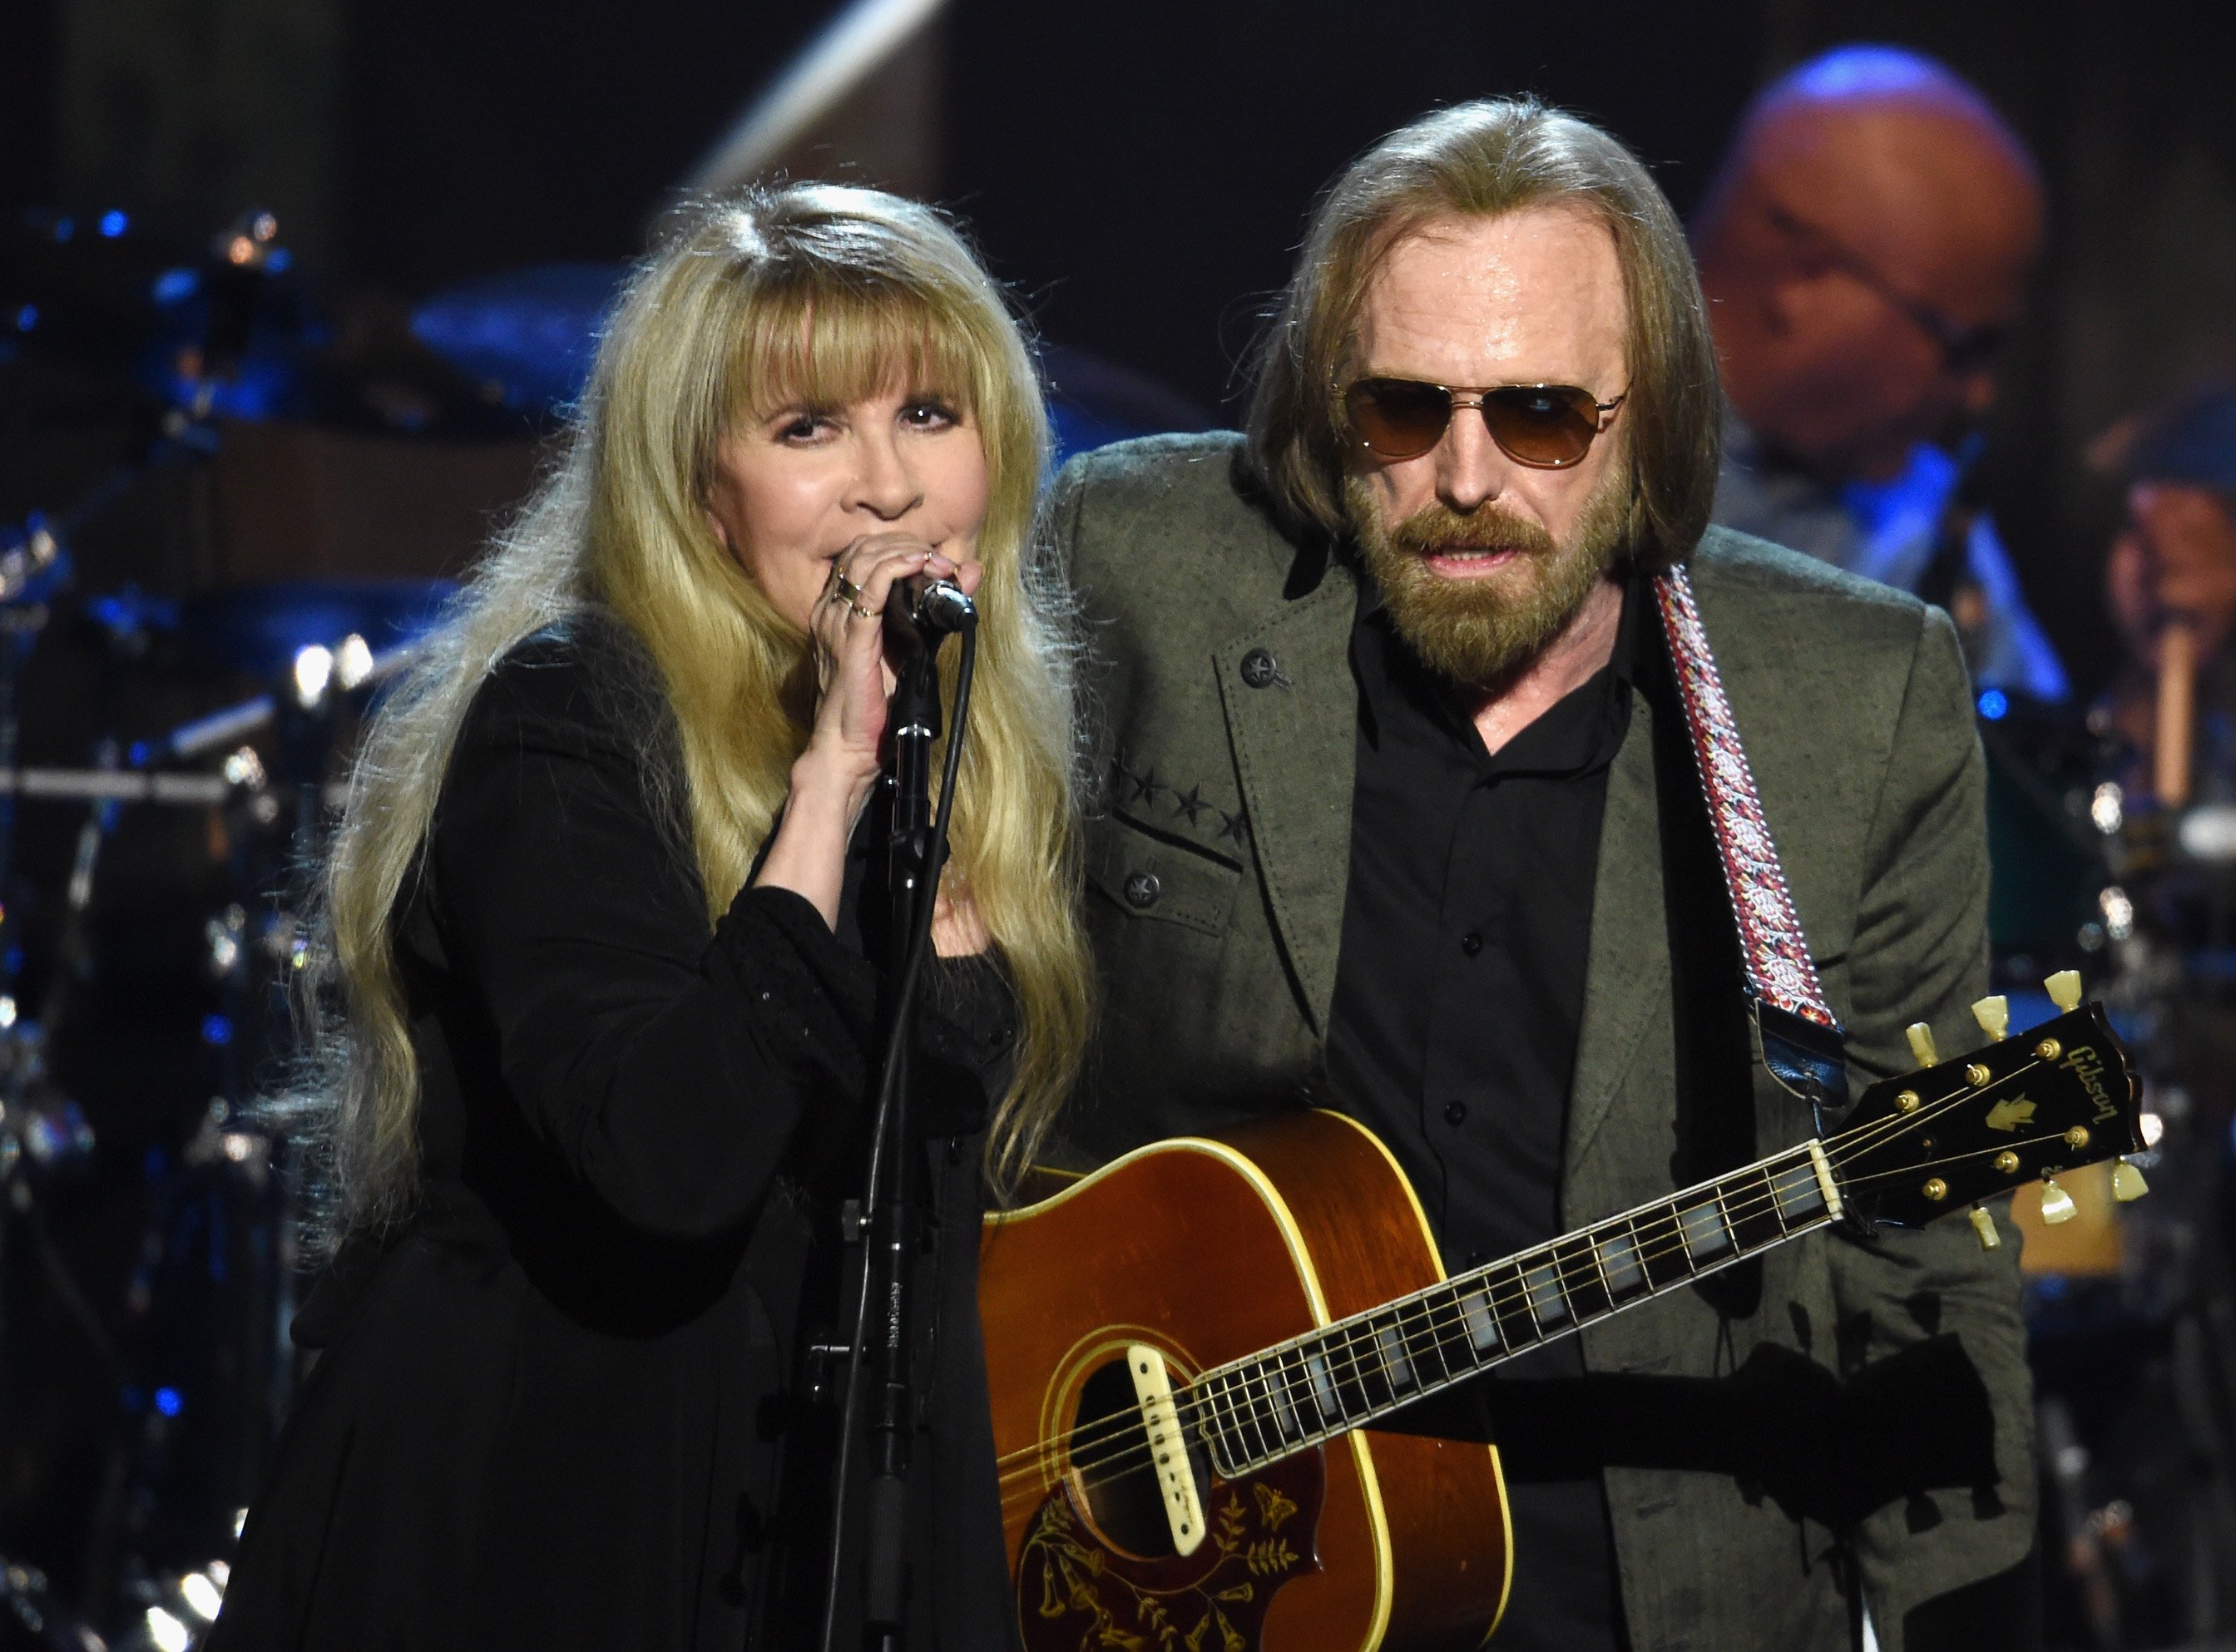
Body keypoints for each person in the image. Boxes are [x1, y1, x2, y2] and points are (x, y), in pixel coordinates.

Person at [1044, 100, 2035, 1651]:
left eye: (1543, 418)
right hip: (1157, 1578)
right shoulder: (1138, 559)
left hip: (1634, 1594)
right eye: (1399, 410)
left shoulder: (1857, 698)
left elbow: (1930, 1266)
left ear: (1651, 429)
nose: (1464, 475)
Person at [208, 185, 1090, 1650]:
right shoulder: (571, 714)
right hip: (545, 1512)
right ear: (698, 491)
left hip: (814, 1519)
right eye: (809, 429)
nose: (889, 484)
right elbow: (669, 1157)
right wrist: (831, 780)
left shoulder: (975, 763)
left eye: (931, 413)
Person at [1693, 45, 2236, 708]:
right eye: (1963, 345)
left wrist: (2159, 683)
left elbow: (2027, 795)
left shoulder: (1924, 527)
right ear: (1805, 278)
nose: (1979, 392)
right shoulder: (1566, 438)